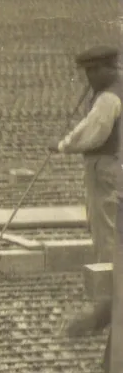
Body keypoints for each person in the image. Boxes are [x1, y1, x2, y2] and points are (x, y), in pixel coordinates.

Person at [50, 45, 121, 269]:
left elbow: (93, 133)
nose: (88, 77)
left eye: (92, 71)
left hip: (106, 165)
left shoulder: (108, 98)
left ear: (106, 69)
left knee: (105, 226)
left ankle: (110, 284)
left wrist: (63, 145)